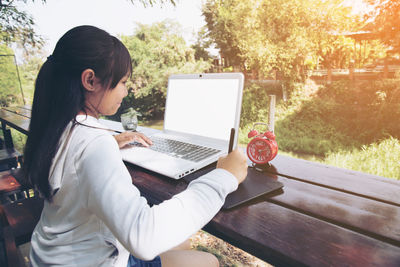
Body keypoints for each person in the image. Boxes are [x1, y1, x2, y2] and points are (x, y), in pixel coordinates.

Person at [23, 25, 248, 267]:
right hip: (94, 261)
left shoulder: (59, 127)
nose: (126, 90)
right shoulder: (92, 144)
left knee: (182, 242)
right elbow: (144, 237)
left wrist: (107, 143)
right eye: (122, 81)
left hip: (52, 256)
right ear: (90, 80)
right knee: (209, 260)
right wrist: (225, 176)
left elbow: (76, 165)